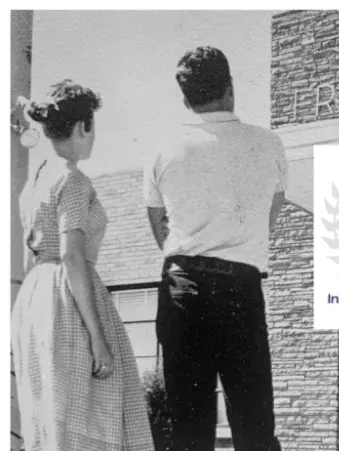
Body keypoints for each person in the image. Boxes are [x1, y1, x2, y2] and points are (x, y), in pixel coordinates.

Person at [143, 46, 287, 451]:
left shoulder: (164, 148)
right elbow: (269, 218)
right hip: (241, 287)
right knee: (254, 423)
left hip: (182, 286)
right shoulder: (268, 144)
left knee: (189, 428)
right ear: (230, 88)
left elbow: (159, 224)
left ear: (186, 99)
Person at [10, 80, 155, 451]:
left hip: (36, 297)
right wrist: (98, 337)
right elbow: (73, 255)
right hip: (67, 298)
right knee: (95, 413)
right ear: (81, 127)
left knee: (50, 418)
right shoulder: (72, 179)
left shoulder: (38, 177)